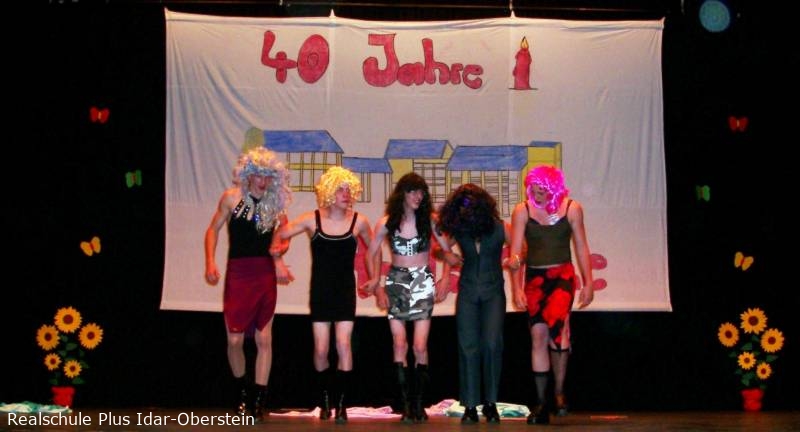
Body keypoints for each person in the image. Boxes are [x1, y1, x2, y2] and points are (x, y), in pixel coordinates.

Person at [277, 166, 374, 423]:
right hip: (321, 292)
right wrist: (278, 260)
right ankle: (324, 399)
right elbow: (281, 234)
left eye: (349, 190)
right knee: (321, 349)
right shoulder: (312, 219)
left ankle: (341, 404)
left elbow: (373, 248)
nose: (346, 194)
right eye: (341, 189)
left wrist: (374, 277)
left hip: (344, 291)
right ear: (329, 192)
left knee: (343, 344)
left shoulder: (359, 221)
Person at [204, 147, 293, 421]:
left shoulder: (275, 204)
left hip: (263, 273)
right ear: (248, 174)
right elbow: (212, 229)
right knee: (234, 339)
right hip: (239, 272)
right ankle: (241, 392)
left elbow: (285, 235)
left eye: (267, 176)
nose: (262, 182)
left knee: (264, 338)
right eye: (258, 175)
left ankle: (259, 399)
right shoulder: (231, 198)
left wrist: (279, 252)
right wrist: (210, 262)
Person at [508, 165, 594, 424]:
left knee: (559, 331)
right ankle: (541, 402)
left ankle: (559, 390)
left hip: (562, 277)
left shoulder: (572, 209)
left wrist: (588, 282)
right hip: (535, 278)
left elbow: (581, 246)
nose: (538, 195)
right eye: (534, 190)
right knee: (538, 335)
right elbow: (515, 253)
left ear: (554, 188)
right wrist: (516, 287)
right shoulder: (522, 211)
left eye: (543, 191)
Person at [364, 172, 450, 423]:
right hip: (397, 282)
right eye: (413, 191)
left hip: (422, 280)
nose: (417, 196)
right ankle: (405, 405)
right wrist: (377, 285)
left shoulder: (430, 220)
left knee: (420, 345)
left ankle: (419, 403)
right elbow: (371, 253)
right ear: (402, 194)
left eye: (421, 192)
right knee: (399, 343)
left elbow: (447, 249)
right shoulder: (387, 222)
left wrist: (445, 278)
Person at [436, 184, 512, 424]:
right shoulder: (460, 228)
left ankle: (491, 402)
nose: (466, 209)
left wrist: (516, 259)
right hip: (468, 290)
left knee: (492, 344)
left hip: (493, 291)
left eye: (469, 204)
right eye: (461, 205)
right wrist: (445, 259)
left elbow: (521, 247)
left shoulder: (500, 227)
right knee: (468, 345)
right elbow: (440, 247)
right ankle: (470, 405)